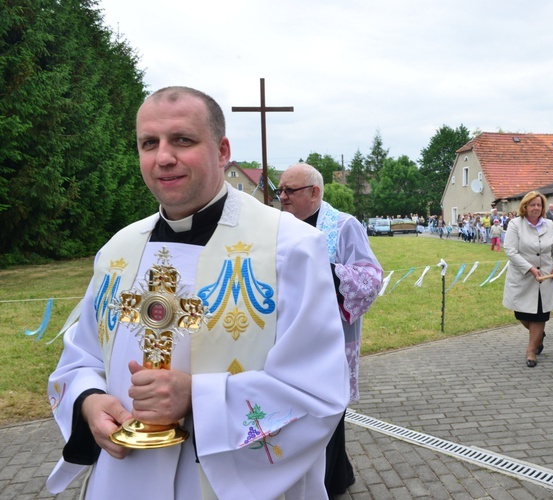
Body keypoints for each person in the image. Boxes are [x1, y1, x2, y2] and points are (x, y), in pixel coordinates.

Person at [46, 87, 349, 499]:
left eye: (182, 140)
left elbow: (318, 392)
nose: (163, 157)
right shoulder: (118, 250)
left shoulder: (289, 247)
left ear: (222, 151)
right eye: (149, 143)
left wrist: (198, 399)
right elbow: (80, 357)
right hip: (124, 480)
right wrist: (88, 402)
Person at [277, 162, 383, 496]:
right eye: (280, 190)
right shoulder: (279, 226)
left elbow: (370, 277)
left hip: (330, 338)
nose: (282, 197)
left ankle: (329, 480)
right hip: (288, 335)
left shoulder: (344, 226)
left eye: (289, 191)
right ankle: (334, 473)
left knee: (327, 409)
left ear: (315, 192)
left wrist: (327, 271)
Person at [502, 191, 553, 367]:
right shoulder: (515, 224)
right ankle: (538, 336)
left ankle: (531, 351)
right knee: (521, 314)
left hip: (545, 277)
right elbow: (510, 251)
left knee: (539, 315)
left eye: (539, 204)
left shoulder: (550, 224)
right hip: (523, 277)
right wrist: (529, 268)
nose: (536, 208)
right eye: (532, 205)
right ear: (525, 207)